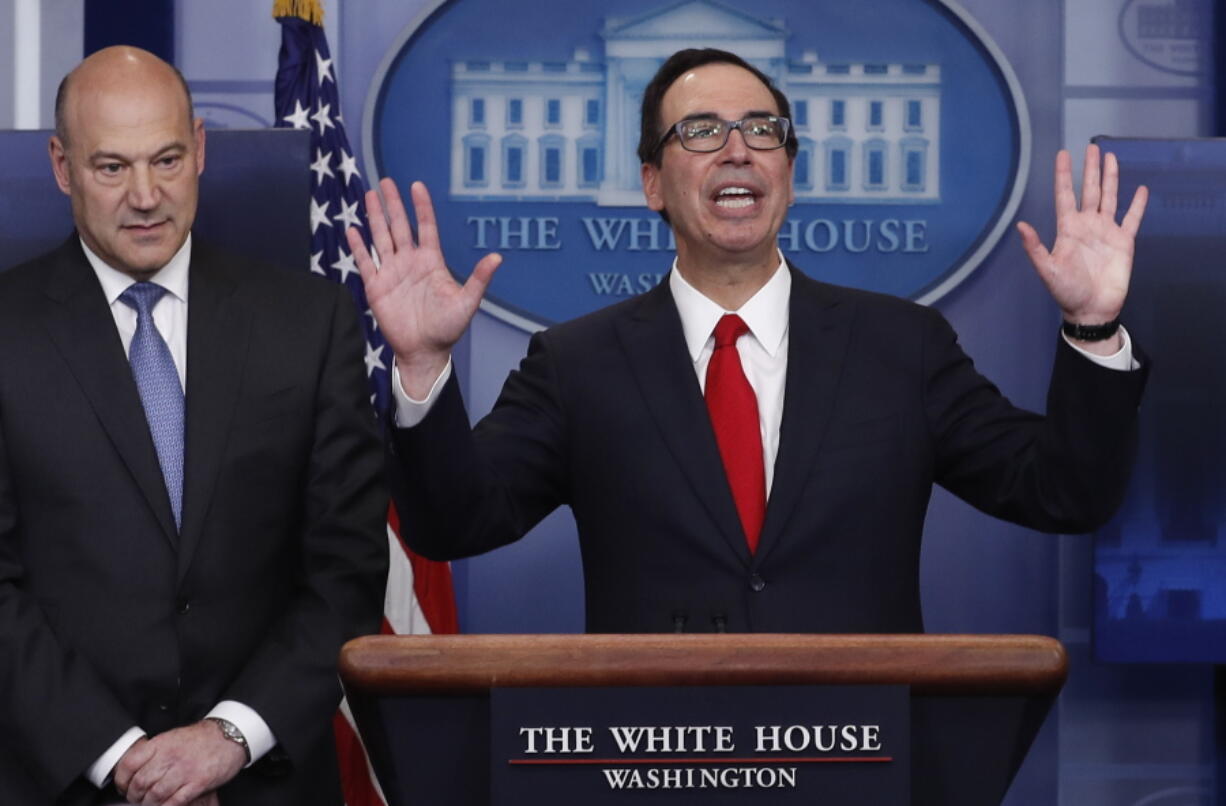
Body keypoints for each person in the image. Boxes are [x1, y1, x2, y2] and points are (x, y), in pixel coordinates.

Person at [351, 48, 1147, 635]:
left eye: (762, 130)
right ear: (653, 183)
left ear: (789, 174)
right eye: (701, 131)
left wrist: (1093, 328)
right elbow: (454, 524)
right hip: (654, 767)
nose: (738, 149)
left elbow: (1065, 492)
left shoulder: (902, 347)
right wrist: (422, 366)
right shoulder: (577, 364)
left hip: (861, 762)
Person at [0, 47, 388, 806]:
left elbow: (345, 570)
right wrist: (122, 760)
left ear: (201, 148)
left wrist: (229, 738)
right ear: (61, 166)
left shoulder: (308, 324)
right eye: (111, 167)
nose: (146, 196)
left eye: (168, 159)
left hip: (261, 781)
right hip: (61, 781)